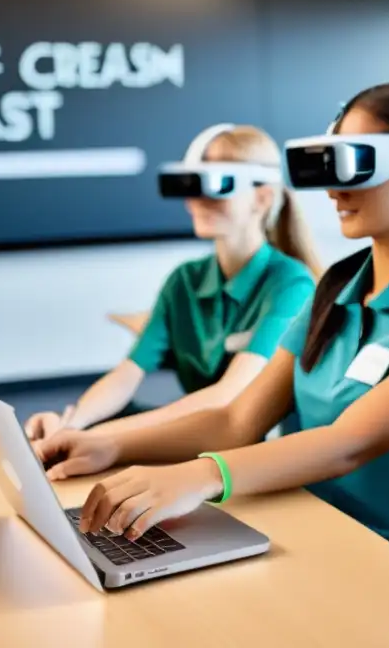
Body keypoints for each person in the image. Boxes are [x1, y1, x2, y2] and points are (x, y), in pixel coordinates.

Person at [33, 82, 389, 582]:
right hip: (295, 528)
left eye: (354, 165)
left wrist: (200, 475)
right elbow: (238, 420)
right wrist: (110, 445)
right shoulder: (336, 287)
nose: (333, 190)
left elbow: (348, 442)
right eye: (327, 167)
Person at [25, 124, 320, 441]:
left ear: (261, 198)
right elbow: (126, 376)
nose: (197, 201)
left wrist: (102, 437)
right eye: (190, 185)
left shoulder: (291, 284)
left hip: (258, 445)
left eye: (215, 184)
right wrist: (70, 424)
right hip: (197, 432)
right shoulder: (185, 280)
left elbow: (229, 396)